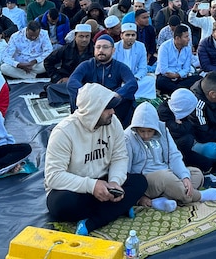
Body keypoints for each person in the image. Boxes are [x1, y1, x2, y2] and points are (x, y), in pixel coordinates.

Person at [44, 83, 148, 236]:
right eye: (108, 108)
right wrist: (92, 186)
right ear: (93, 110)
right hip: (76, 188)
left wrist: (115, 182)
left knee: (140, 182)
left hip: (105, 182)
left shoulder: (113, 122)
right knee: (61, 205)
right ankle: (118, 207)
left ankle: (93, 221)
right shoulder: (63, 132)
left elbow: (119, 156)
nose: (113, 111)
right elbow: (54, 176)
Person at [125, 102, 216, 213]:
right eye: (142, 131)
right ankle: (199, 196)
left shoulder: (163, 130)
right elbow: (125, 170)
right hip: (146, 180)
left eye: (150, 131)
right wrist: (137, 196)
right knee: (167, 178)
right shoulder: (128, 137)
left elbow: (174, 155)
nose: (146, 135)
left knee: (195, 173)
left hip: (167, 172)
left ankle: (160, 201)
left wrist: (185, 177)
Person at [67, 34, 137, 126]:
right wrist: (85, 94)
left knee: (128, 98)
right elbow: (72, 82)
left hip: (111, 103)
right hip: (90, 104)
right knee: (74, 94)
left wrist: (117, 94)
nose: (101, 50)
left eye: (105, 47)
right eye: (98, 47)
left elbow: (132, 83)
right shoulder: (86, 65)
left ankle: (120, 127)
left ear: (113, 50)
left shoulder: (120, 67)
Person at [155, 25, 201, 95]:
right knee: (161, 82)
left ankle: (176, 91)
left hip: (180, 77)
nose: (188, 39)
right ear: (177, 38)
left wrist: (177, 75)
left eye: (188, 36)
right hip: (166, 77)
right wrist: (174, 75)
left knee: (199, 78)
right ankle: (182, 91)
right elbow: (163, 70)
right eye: (186, 37)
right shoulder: (164, 47)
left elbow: (187, 68)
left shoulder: (188, 48)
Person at [114, 23, 154, 100]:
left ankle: (139, 96)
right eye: (127, 35)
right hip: (120, 79)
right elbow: (113, 67)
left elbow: (143, 67)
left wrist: (135, 78)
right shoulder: (115, 47)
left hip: (135, 77)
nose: (130, 37)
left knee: (150, 80)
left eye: (133, 35)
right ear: (121, 35)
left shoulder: (141, 46)